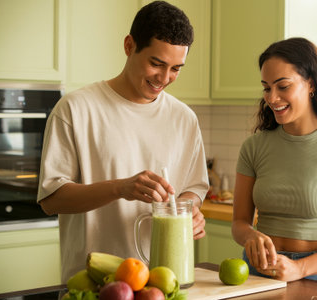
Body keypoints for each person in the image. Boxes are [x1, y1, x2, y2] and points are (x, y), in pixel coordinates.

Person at [37, 1, 208, 283]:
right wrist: (120, 188)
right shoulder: (75, 109)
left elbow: (193, 189)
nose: (165, 78)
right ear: (129, 46)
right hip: (94, 282)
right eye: (157, 63)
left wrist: (190, 212)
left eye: (176, 68)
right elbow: (51, 199)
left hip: (164, 282)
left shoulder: (184, 118)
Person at [232, 37, 317, 282]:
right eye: (267, 88)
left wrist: (301, 268)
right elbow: (239, 222)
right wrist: (249, 237)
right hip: (258, 272)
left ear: (311, 84)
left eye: (283, 86)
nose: (272, 98)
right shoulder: (254, 147)